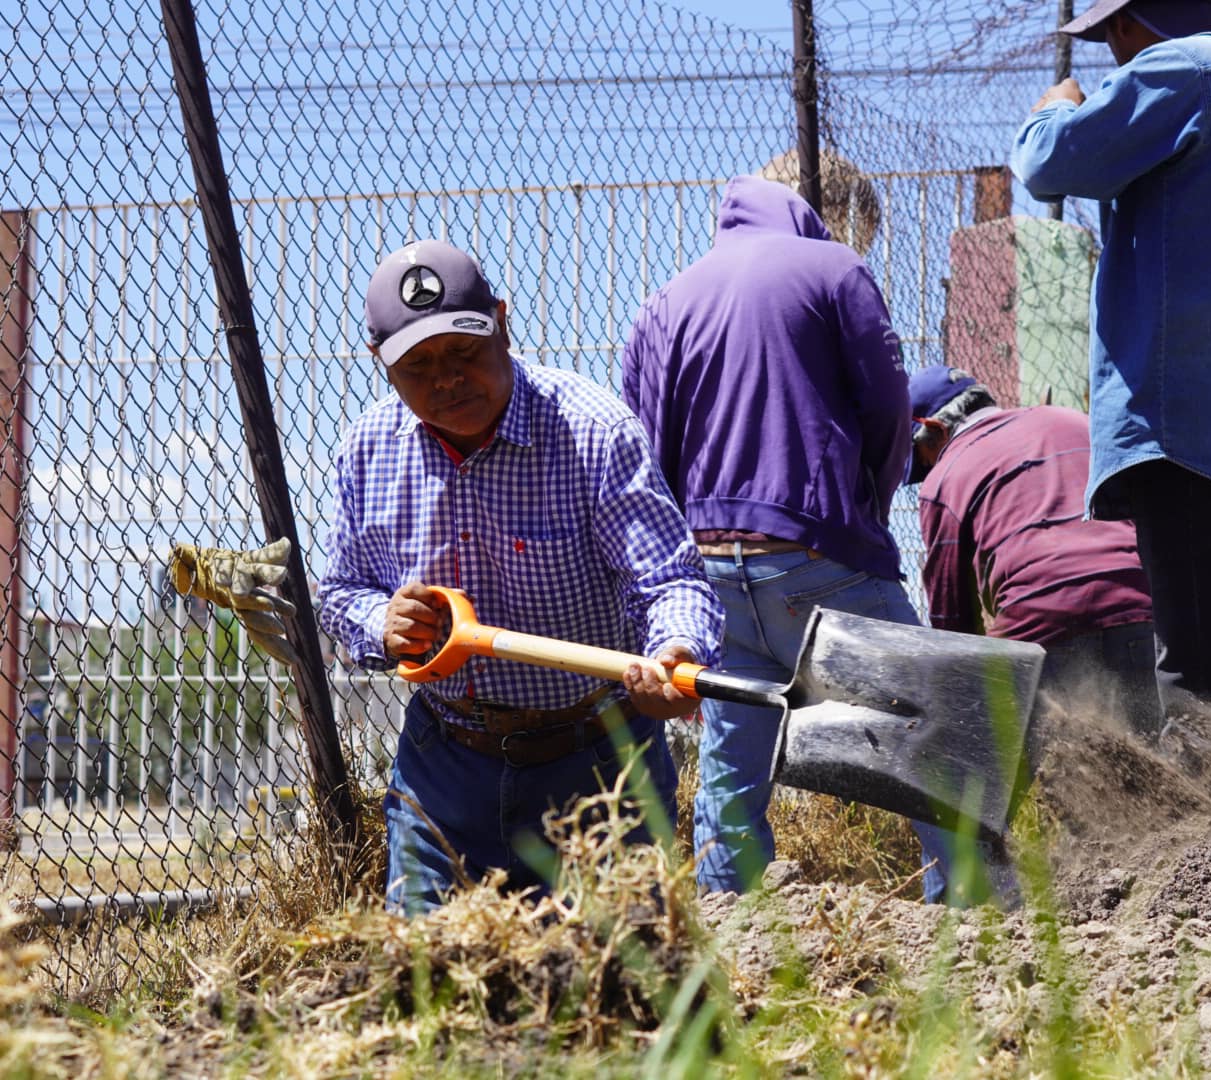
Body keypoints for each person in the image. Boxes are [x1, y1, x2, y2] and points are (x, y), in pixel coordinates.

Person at [318, 239, 723, 914]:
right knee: (422, 985)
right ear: (380, 366)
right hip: (443, 764)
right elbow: (338, 592)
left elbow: (668, 579)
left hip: (599, 764)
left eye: (464, 353)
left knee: (621, 986)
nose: (446, 379)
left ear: (503, 323)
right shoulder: (366, 450)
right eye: (418, 367)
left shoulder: (592, 432)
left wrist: (674, 652)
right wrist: (379, 624)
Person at [620, 175, 962, 903]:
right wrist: (863, 509)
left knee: (732, 771)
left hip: (711, 564)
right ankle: (977, 929)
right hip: (819, 549)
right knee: (934, 733)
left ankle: (729, 928)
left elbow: (646, 442)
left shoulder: (664, 302)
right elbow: (888, 407)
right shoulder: (834, 269)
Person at [1009, 0, 1211, 731]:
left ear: (1130, 21)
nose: (1114, 54)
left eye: (1111, 34)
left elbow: (1051, 162)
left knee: (1202, 693)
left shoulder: (1184, 68)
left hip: (1188, 430)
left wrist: (1055, 108)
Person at [906, 365, 1158, 737]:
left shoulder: (944, 480)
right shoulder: (1074, 421)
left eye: (923, 459)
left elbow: (952, 625)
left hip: (1042, 630)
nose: (927, 471)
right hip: (1141, 602)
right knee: (1160, 750)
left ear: (937, 429)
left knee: (1072, 774)